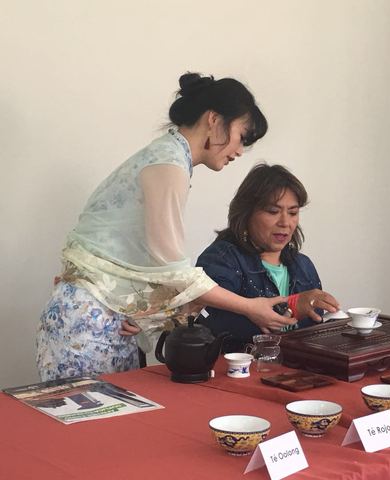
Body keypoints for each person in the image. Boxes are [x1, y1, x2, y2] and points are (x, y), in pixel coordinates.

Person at [36, 73, 295, 381]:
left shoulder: (167, 156)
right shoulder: (169, 164)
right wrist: (250, 307)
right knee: (90, 411)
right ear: (214, 119)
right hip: (89, 320)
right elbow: (173, 269)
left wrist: (146, 314)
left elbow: (141, 261)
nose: (240, 151)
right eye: (242, 136)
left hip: (103, 314)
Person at [196, 163, 340, 351]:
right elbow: (215, 325)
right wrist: (292, 307)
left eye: (293, 212)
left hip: (296, 366)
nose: (285, 222)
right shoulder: (222, 258)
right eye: (273, 211)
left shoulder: (303, 265)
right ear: (247, 213)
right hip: (238, 367)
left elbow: (313, 331)